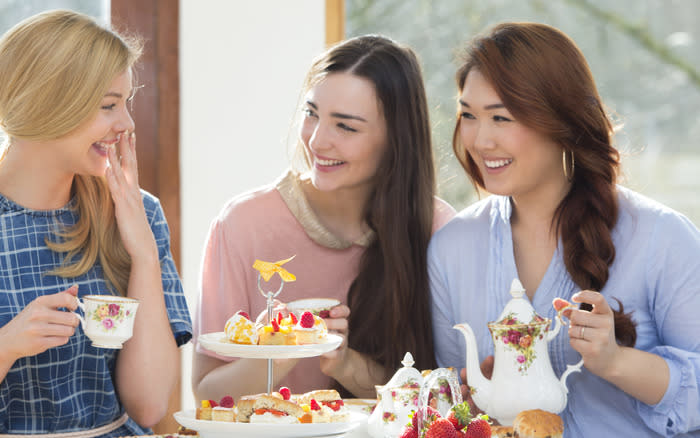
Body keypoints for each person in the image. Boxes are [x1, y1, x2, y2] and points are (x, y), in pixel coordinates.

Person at [0, 10, 192, 438]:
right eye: (109, 106)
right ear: (50, 105)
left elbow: (151, 403)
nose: (127, 124)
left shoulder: (139, 214)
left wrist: (143, 256)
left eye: (126, 103)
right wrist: (6, 347)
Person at [428, 22, 700, 437]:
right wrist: (473, 394)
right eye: (468, 115)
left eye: (501, 117)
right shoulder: (452, 247)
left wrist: (614, 361)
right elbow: (452, 406)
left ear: (562, 121)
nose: (480, 140)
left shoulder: (663, 237)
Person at [192, 35, 456, 401]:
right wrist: (277, 353)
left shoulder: (439, 231)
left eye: (345, 126)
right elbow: (205, 395)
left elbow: (444, 400)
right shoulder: (241, 224)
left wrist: (346, 364)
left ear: (397, 138)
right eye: (311, 114)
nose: (317, 141)